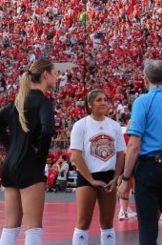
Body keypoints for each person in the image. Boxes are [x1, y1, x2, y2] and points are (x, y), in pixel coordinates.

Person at [117, 60, 162, 245]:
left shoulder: (142, 102)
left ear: (145, 79)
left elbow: (134, 144)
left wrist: (125, 179)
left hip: (149, 168)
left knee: (148, 227)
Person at [0, 59, 58, 245]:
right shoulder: (43, 102)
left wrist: (11, 146)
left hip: (10, 165)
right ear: (45, 75)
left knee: (10, 226)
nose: (57, 77)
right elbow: (48, 130)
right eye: (55, 73)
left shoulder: (19, 101)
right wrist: (40, 156)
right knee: (33, 227)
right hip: (29, 165)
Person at [70, 89, 126, 245]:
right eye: (99, 100)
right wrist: (91, 180)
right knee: (83, 222)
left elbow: (120, 154)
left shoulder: (114, 126)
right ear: (90, 104)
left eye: (105, 100)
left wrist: (116, 177)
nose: (103, 103)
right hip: (87, 176)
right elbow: (76, 155)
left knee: (107, 223)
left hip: (108, 177)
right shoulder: (80, 125)